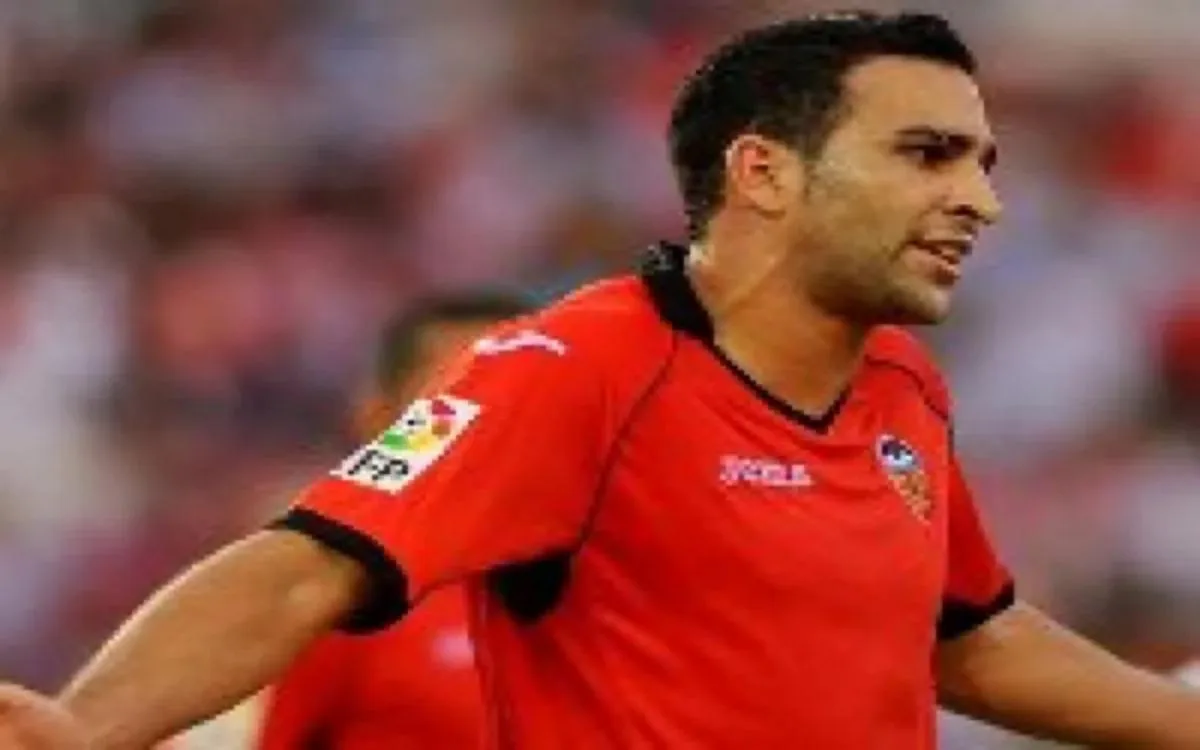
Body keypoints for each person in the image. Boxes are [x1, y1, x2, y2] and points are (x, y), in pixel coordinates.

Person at [2, 11, 1199, 750]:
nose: (981, 200)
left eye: (983, 162)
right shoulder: (579, 366)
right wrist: (87, 726)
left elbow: (968, 640)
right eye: (927, 154)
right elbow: (307, 563)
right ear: (764, 173)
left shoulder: (902, 383)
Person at [173, 293, 532, 750]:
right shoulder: (324, 595)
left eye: (516, 404)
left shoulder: (601, 587)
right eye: (451, 405)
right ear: (378, 422)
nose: (486, 428)